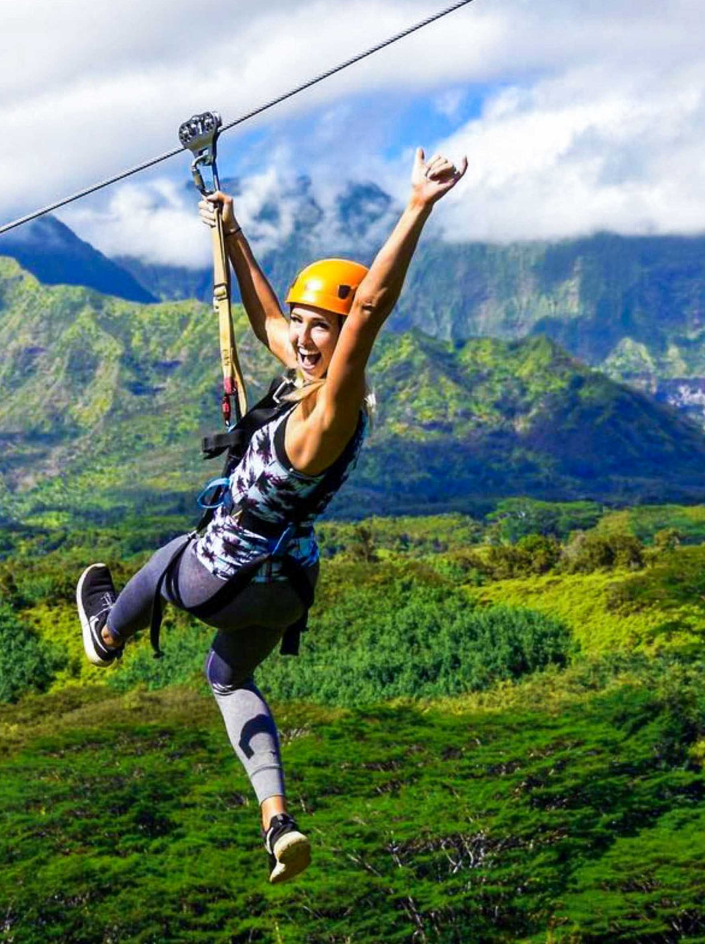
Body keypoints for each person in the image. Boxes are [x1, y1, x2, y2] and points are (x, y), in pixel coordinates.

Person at [76, 147, 467, 883]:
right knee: (227, 677)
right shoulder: (305, 379)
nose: (308, 337)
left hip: (223, 576)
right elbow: (265, 323)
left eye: (326, 328)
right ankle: (277, 818)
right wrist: (234, 235)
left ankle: (105, 631)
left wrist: (417, 207)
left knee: (168, 558)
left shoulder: (332, 405)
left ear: (348, 335)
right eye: (304, 322)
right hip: (286, 591)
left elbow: (371, 310)